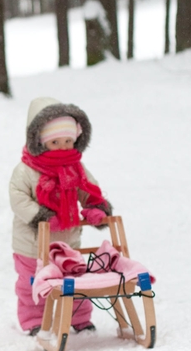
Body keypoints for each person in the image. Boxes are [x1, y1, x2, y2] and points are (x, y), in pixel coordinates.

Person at [9, 97, 113, 336]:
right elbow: (18, 198)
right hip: (32, 246)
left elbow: (87, 189)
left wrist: (95, 207)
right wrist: (40, 216)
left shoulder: (75, 167)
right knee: (33, 284)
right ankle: (34, 320)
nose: (63, 147)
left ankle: (79, 319)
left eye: (68, 141)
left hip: (67, 242)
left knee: (73, 281)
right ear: (39, 141)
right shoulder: (26, 170)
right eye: (55, 142)